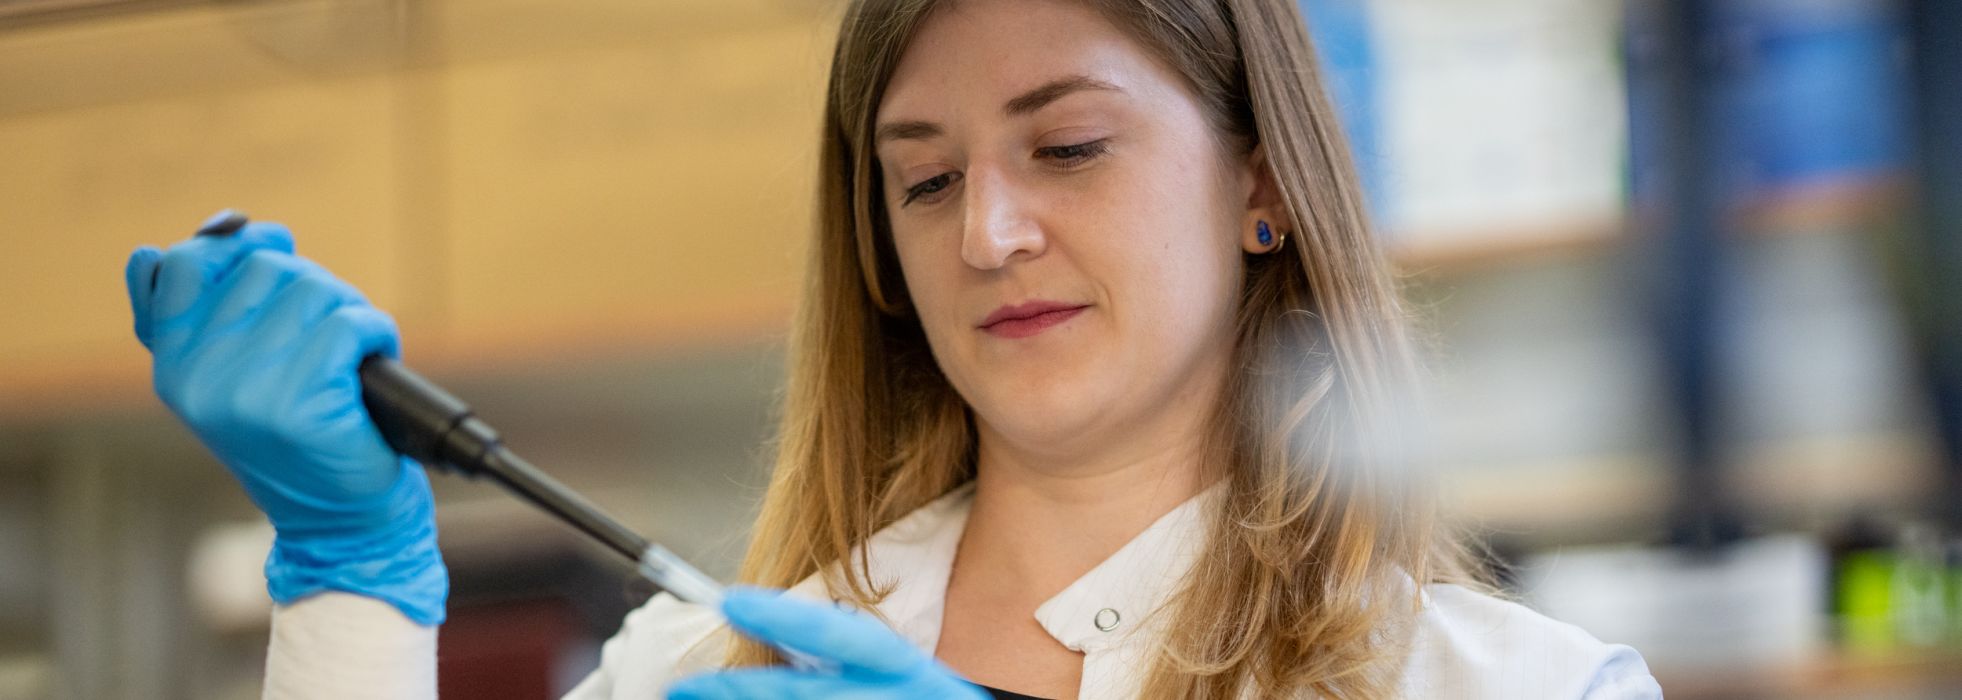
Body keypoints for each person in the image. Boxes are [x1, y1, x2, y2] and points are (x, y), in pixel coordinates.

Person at [124, 0, 1663, 697]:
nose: (984, 232)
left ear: (1259, 183)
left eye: (1066, 147)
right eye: (923, 180)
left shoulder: (1511, 690)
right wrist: (350, 580)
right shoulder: (714, 667)